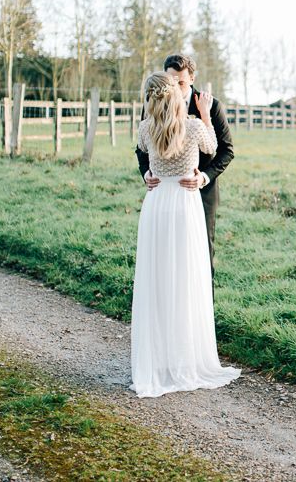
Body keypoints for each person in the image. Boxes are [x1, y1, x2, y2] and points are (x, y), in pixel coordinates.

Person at [129, 71, 240, 398]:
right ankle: (186, 356)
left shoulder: (145, 128)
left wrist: (150, 171)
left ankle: (160, 359)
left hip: (156, 204)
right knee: (186, 278)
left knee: (158, 280)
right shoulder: (192, 128)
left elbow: (146, 157)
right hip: (184, 205)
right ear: (174, 96)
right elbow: (213, 145)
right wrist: (205, 114)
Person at [135, 54, 234, 289]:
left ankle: (200, 318)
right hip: (162, 190)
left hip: (201, 194)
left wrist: (203, 176)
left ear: (191, 79)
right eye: (170, 82)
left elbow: (226, 151)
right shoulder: (153, 104)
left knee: (200, 258)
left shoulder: (210, 106)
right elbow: (142, 149)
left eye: (180, 82)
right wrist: (146, 172)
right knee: (163, 257)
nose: (174, 89)